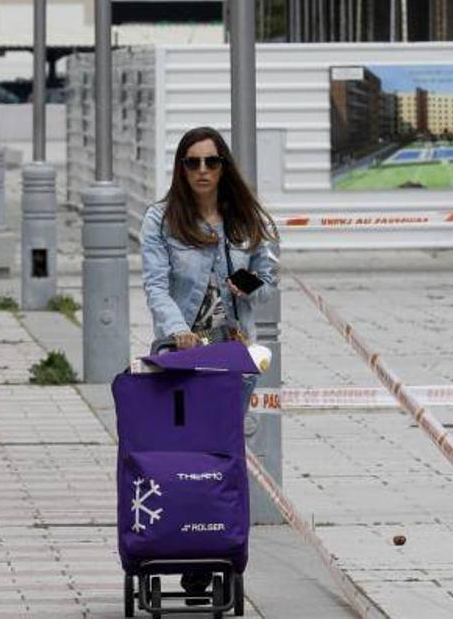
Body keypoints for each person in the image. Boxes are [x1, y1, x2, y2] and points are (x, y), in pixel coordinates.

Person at [139, 125, 278, 601]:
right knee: (181, 454)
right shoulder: (160, 219)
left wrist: (250, 284)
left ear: (224, 167)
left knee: (224, 453)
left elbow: (269, 270)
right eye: (192, 162)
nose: (202, 171)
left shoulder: (243, 220)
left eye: (211, 162)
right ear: (180, 168)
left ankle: (214, 548)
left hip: (232, 354)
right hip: (181, 355)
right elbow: (156, 285)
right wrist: (177, 330)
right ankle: (180, 539)